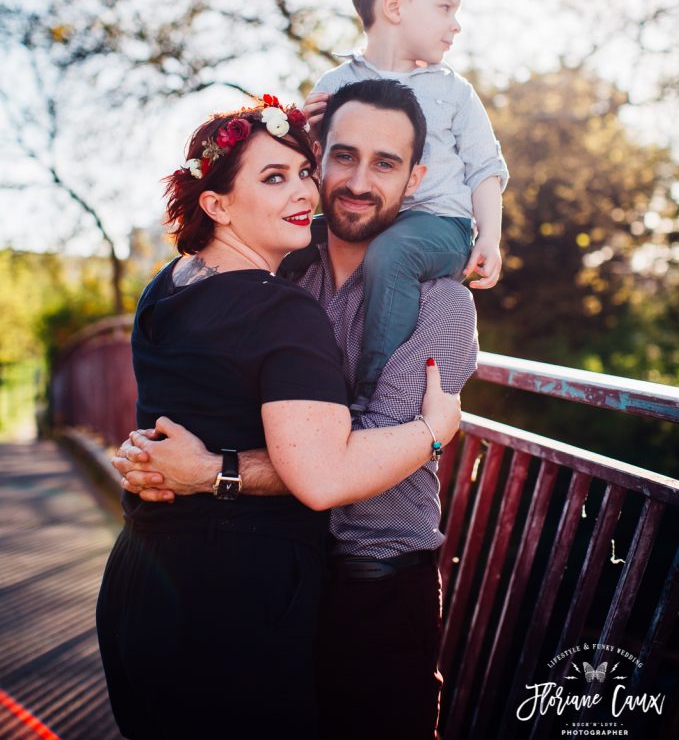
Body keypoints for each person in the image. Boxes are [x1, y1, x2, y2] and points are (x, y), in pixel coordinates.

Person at [115, 80, 479, 740]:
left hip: (372, 582)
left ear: (415, 177)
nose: (356, 181)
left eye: (386, 163)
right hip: (263, 582)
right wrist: (158, 455)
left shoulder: (440, 305)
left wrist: (213, 471)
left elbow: (355, 453)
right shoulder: (279, 273)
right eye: (338, 157)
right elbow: (208, 376)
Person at [302, 0, 508, 408]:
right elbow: (309, 168)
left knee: (392, 254)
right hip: (373, 218)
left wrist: (490, 238)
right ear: (393, 6)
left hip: (439, 226)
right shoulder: (337, 82)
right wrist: (301, 130)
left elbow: (485, 167)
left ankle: (368, 391)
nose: (455, 24)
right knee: (294, 244)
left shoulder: (453, 91)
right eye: (444, 8)